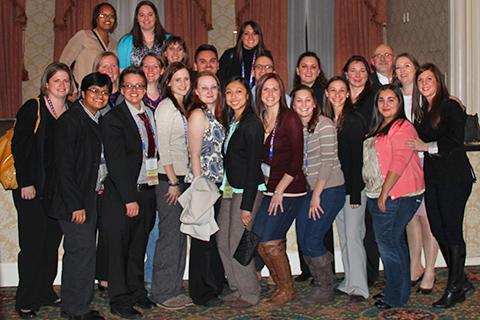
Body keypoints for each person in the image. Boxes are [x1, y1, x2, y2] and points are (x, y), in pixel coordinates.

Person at [410, 63, 476, 308]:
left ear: (438, 81)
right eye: (421, 81)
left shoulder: (449, 105)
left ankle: (455, 287)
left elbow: (453, 142)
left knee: (452, 230)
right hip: (435, 178)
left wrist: (426, 147)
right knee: (438, 229)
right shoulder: (424, 111)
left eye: (429, 79)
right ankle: (461, 280)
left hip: (455, 178)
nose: (425, 83)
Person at [12, 62, 73, 318]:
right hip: (32, 191)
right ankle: (26, 298)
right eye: (56, 80)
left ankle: (46, 291)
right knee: (33, 246)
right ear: (46, 84)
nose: (61, 85)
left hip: (57, 193)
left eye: (66, 81)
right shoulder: (33, 108)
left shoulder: (71, 112)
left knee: (51, 244)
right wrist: (26, 182)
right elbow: (20, 146)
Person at [53, 72, 112, 320]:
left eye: (104, 92)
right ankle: (76, 309)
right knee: (80, 251)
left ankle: (76, 304)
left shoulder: (98, 119)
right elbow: (63, 167)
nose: (99, 96)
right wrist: (75, 205)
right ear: (82, 93)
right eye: (94, 91)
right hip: (74, 202)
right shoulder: (71, 120)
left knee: (85, 251)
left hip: (92, 198)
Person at [100, 66, 157, 319]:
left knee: (138, 246)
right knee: (119, 249)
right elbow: (116, 162)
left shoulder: (151, 114)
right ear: (121, 90)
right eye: (129, 86)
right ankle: (119, 299)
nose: (134, 90)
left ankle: (136, 292)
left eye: (139, 86)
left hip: (148, 190)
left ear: (145, 89)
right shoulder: (113, 119)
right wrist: (129, 198)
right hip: (124, 195)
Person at [363, 84, 424, 309]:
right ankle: (397, 291)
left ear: (399, 102)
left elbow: (400, 161)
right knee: (393, 243)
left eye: (391, 100)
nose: (385, 104)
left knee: (388, 243)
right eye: (381, 100)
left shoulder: (403, 127)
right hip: (379, 193)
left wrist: (385, 193)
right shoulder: (380, 125)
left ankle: (396, 296)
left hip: (396, 195)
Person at [252, 73, 306, 305]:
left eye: (275, 89)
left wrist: (279, 191)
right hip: (267, 188)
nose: (271, 94)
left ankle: (287, 289)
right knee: (259, 238)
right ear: (259, 94)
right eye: (266, 89)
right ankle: (279, 283)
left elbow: (296, 160)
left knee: (270, 240)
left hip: (290, 188)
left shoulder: (290, 118)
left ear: (281, 93)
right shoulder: (259, 118)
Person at [292, 85, 345, 305]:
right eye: (298, 101)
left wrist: (317, 195)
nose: (303, 105)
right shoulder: (295, 128)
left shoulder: (325, 125)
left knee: (313, 240)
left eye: (307, 101)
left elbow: (328, 161)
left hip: (329, 188)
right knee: (304, 239)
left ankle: (326, 287)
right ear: (293, 104)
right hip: (307, 190)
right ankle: (321, 276)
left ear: (314, 103)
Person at [217, 76, 263, 308]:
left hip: (248, 190)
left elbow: (254, 165)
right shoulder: (233, 121)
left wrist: (247, 206)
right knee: (222, 240)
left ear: (247, 95)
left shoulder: (252, 124)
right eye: (229, 92)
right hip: (230, 187)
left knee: (238, 240)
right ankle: (236, 287)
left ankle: (250, 293)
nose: (233, 97)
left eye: (238, 92)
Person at [394, 53, 439, 293]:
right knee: (410, 216)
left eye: (407, 66)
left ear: (416, 67)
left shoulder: (429, 98)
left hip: (428, 164)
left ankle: (430, 270)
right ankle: (415, 265)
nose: (402, 71)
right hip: (404, 166)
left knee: (428, 218)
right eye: (398, 67)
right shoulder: (395, 97)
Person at [322, 76, 369, 302]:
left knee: (353, 236)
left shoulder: (353, 120)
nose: (338, 94)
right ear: (327, 94)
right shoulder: (327, 120)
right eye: (333, 90)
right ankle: (349, 281)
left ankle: (360, 286)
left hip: (353, 189)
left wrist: (354, 193)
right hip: (336, 188)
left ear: (348, 93)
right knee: (344, 236)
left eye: (342, 90)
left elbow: (356, 161)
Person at [150, 62, 192, 310]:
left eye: (186, 79)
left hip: (182, 179)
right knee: (169, 237)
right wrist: (173, 181)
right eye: (178, 79)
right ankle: (162, 293)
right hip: (170, 181)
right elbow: (162, 148)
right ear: (168, 82)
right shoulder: (166, 107)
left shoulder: (183, 107)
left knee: (179, 237)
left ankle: (174, 288)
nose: (183, 83)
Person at [185, 71, 226, 307]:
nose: (210, 92)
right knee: (202, 241)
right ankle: (200, 293)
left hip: (216, 185)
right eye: (204, 87)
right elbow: (194, 153)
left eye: (214, 87)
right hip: (203, 185)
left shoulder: (216, 114)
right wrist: (200, 186)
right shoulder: (198, 115)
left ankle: (214, 286)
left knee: (211, 239)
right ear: (196, 91)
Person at [292, 51, 330, 281]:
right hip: (300, 174)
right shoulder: (291, 96)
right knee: (303, 223)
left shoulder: (325, 96)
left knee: (319, 225)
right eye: (304, 66)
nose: (308, 70)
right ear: (297, 70)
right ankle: (308, 269)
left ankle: (321, 273)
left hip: (321, 174)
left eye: (313, 66)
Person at [343, 55, 379, 286]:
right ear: (346, 73)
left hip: (368, 168)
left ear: (368, 74)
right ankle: (354, 276)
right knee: (351, 229)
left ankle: (369, 275)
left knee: (367, 227)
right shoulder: (339, 97)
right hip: (344, 168)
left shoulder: (374, 98)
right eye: (353, 70)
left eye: (362, 71)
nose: (357, 75)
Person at [60, 2, 117, 92]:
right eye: (103, 15)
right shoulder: (83, 36)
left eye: (111, 16)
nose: (108, 18)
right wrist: (72, 89)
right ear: (96, 18)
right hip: (84, 92)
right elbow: (63, 64)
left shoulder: (115, 43)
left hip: (104, 94)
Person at [117, 0, 169, 69]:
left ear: (156, 17)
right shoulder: (125, 42)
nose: (146, 18)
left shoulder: (168, 40)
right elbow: (122, 71)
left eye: (150, 14)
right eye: (142, 15)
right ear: (137, 19)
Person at [218, 20, 270, 87]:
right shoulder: (229, 54)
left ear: (259, 36)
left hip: (257, 95)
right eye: (246, 33)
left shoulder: (266, 55)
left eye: (254, 33)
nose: (250, 37)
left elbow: (270, 79)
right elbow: (219, 80)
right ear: (241, 37)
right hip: (234, 96)